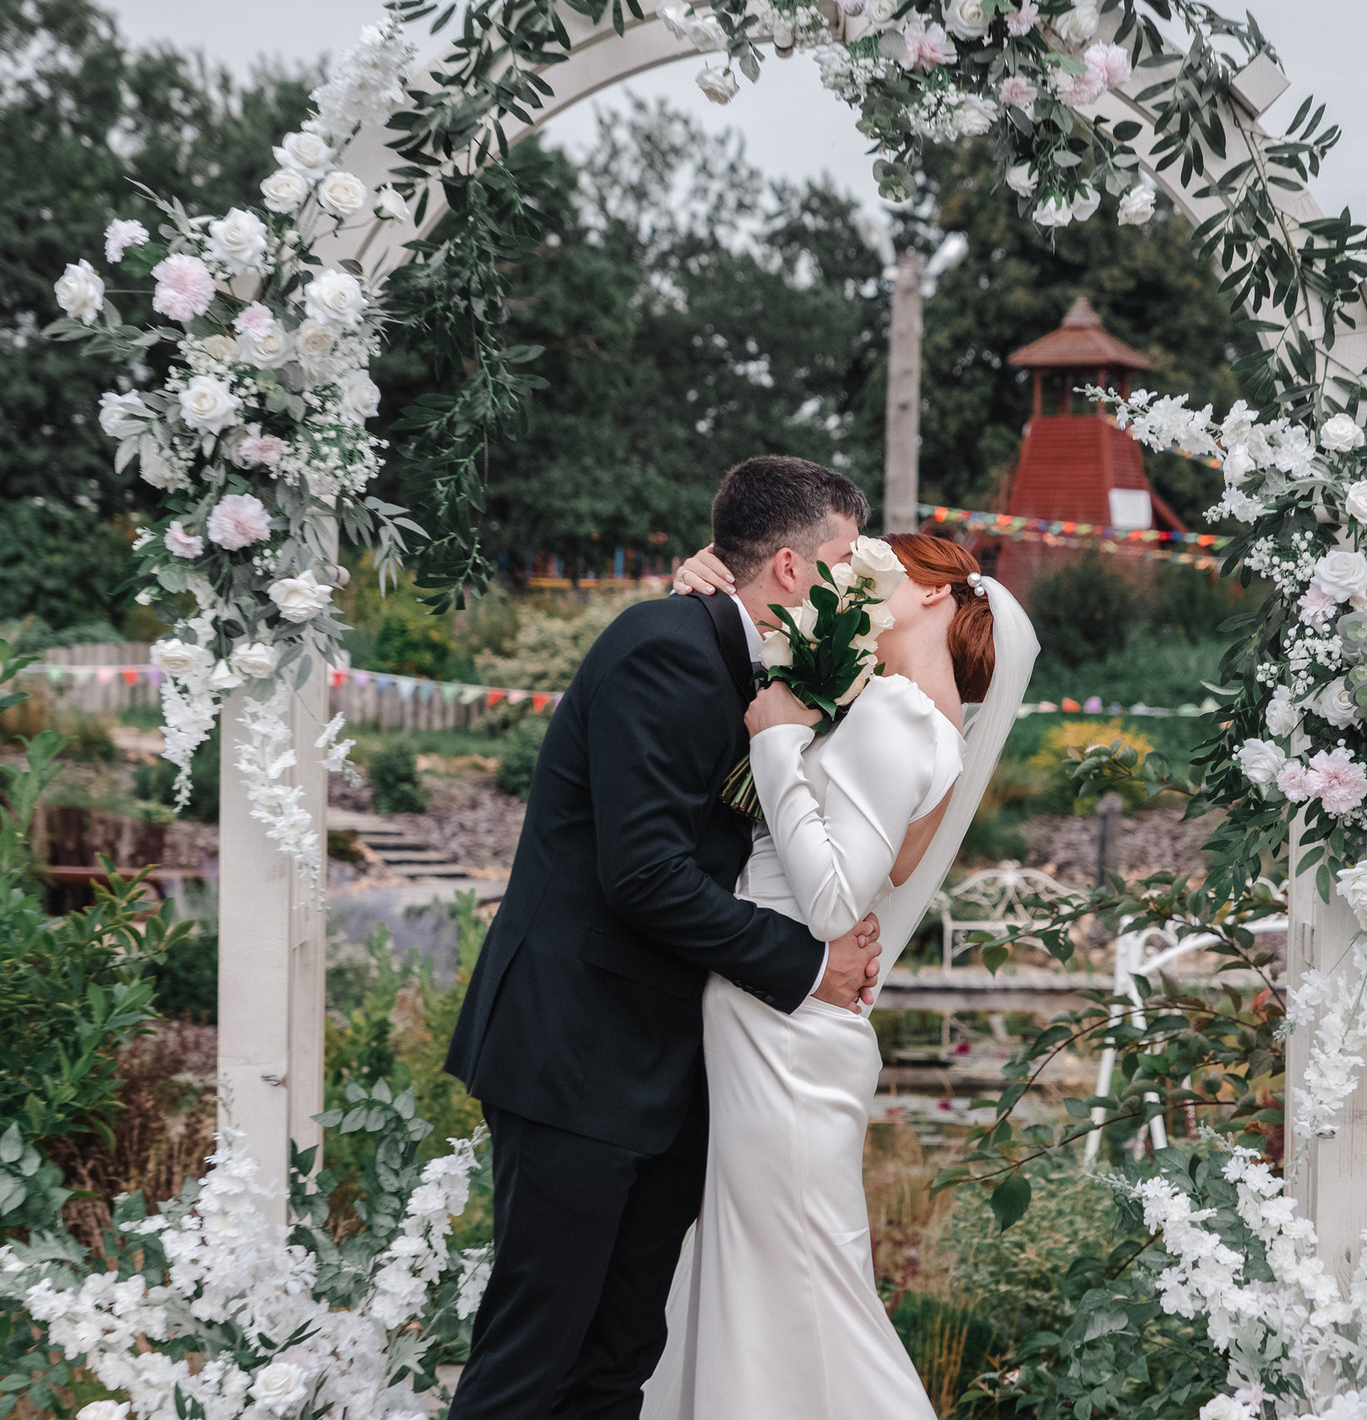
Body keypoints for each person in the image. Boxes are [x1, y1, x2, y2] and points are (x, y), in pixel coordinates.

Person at [442, 456, 887, 1420]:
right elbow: (641, 873)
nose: (863, 580)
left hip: (664, 1071)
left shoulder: (768, 665)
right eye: (848, 559)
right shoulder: (663, 645)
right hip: (576, 1049)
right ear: (787, 568)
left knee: (618, 1356)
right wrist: (809, 967)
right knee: (533, 1353)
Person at [639, 533, 1037, 1420]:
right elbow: (873, 867)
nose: (852, 582)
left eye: (878, 568)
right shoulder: (896, 706)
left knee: (802, 1289)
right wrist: (711, 590)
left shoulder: (904, 714)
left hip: (785, 1034)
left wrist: (779, 744)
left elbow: (829, 903)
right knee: (762, 1284)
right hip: (768, 1023)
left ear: (934, 595)